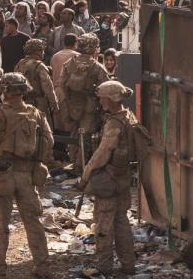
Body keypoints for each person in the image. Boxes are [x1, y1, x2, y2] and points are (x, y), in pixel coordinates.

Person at [0, 73, 54, 279]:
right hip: (26, 175)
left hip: (2, 176)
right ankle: (42, 266)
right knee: (33, 221)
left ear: (5, 91)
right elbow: (48, 142)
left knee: (1, 223)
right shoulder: (36, 114)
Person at [79, 80, 140, 276]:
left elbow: (102, 154)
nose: (101, 102)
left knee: (104, 226)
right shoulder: (129, 117)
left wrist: (85, 175)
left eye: (103, 98)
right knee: (122, 222)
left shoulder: (114, 123)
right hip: (123, 178)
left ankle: (104, 266)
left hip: (109, 180)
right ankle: (128, 265)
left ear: (112, 99)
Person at [56, 33, 109, 168]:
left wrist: (64, 106)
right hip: (90, 107)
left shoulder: (69, 63)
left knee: (74, 135)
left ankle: (74, 162)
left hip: (72, 105)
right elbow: (106, 88)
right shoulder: (97, 67)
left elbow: (60, 85)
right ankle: (82, 166)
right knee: (86, 136)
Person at [15, 38, 59, 127]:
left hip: (23, 102)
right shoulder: (39, 66)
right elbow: (48, 87)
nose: (43, 53)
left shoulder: (20, 64)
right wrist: (54, 104)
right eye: (42, 50)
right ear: (37, 51)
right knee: (42, 129)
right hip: (38, 103)